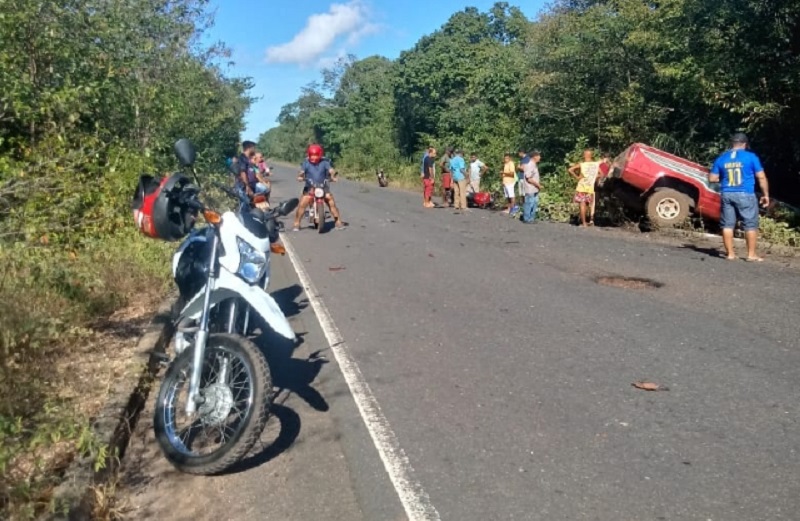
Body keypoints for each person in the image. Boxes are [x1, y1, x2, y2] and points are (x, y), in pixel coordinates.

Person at [708, 132, 770, 262]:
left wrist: (723, 178)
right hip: (745, 193)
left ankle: (730, 254)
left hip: (727, 193)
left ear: (732, 144)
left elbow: (712, 178)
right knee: (750, 224)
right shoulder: (751, 157)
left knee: (727, 224)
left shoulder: (722, 158)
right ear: (745, 144)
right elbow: (761, 177)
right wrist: (765, 195)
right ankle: (751, 255)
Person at [293, 144, 345, 231]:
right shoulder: (306, 163)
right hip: (309, 187)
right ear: (309, 155)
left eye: (316, 155)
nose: (313, 157)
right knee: (303, 203)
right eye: (312, 155)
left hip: (323, 187)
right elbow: (301, 172)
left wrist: (333, 176)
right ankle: (296, 223)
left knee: (330, 201)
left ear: (320, 154)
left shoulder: (325, 163)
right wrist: (300, 176)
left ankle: (338, 221)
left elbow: (331, 170)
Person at [568, 148, 601, 226]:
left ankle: (584, 223)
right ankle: (585, 221)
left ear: (584, 155)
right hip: (590, 187)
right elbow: (601, 174)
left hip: (582, 186)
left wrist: (577, 177)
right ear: (591, 155)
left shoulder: (582, 164)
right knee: (586, 204)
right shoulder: (595, 165)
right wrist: (594, 177)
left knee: (582, 204)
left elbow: (570, 169)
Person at [521, 150, 542, 223]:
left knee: (534, 203)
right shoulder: (529, 165)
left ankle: (531, 218)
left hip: (534, 188)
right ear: (534, 157)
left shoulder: (534, 165)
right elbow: (529, 178)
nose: (540, 157)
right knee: (529, 203)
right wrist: (538, 185)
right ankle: (527, 218)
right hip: (530, 188)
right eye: (539, 156)